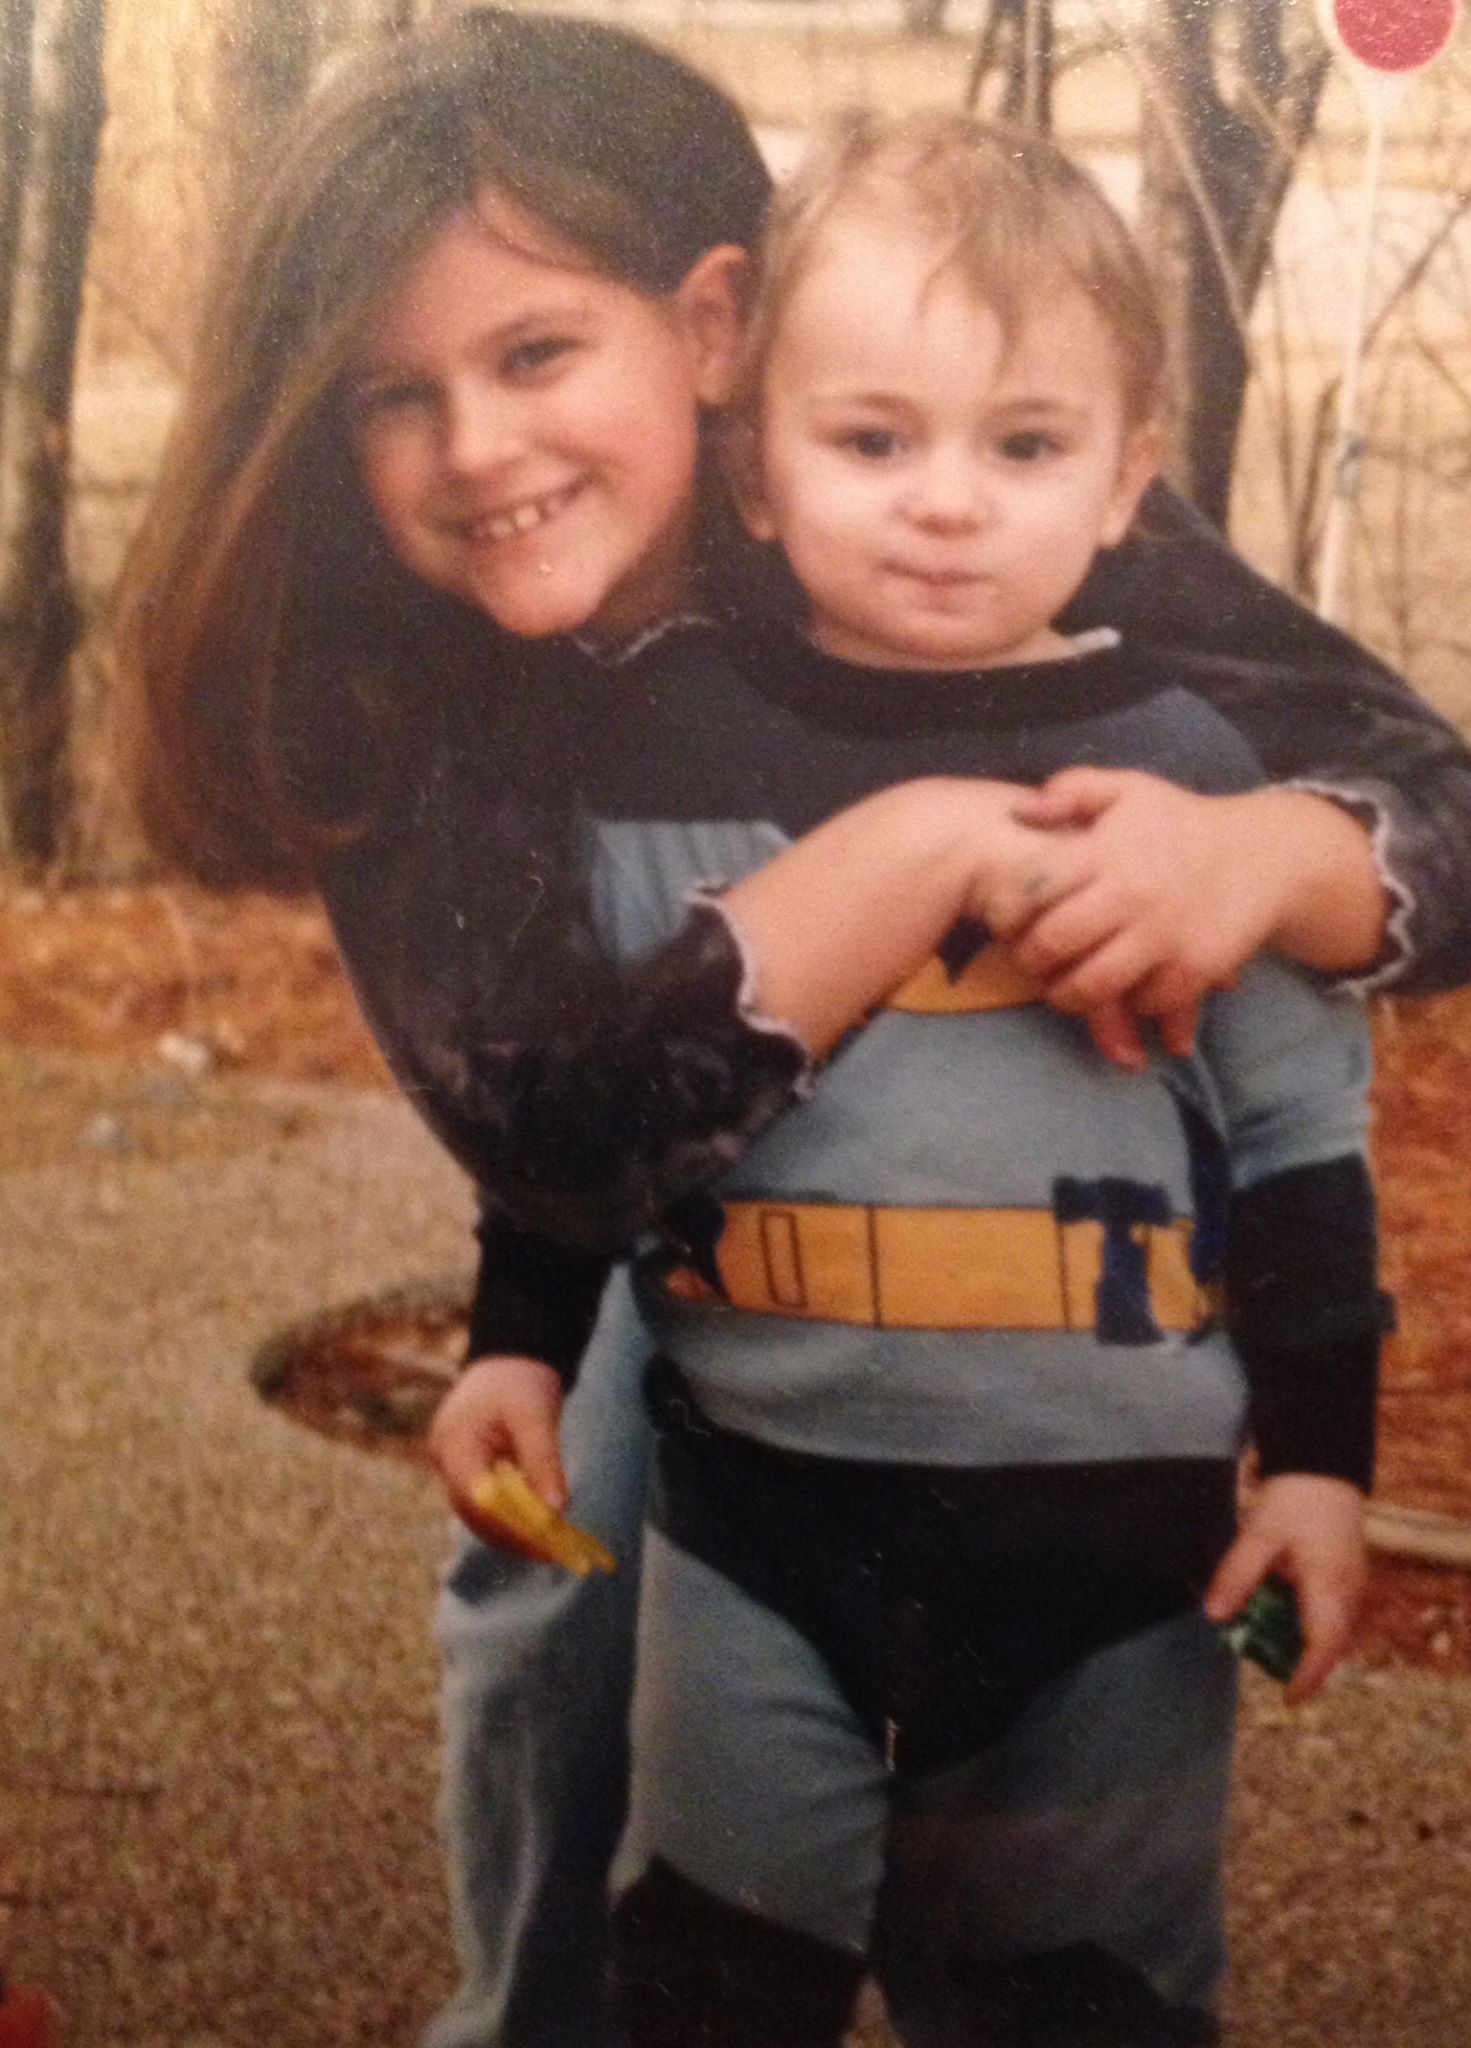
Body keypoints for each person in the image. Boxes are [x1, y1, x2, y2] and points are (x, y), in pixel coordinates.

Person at [110, 12, 1471, 2047]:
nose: (481, 448)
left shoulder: (931, 453)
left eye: (541, 354)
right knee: (571, 1546)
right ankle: (542, 2003)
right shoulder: (397, 662)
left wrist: (1269, 851)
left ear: (717, 328)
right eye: (397, 396)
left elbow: (1422, 804)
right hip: (645, 1162)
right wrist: (917, 845)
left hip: (993, 1235)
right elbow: (555, 1133)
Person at [508, 110, 1381, 2044]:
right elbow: (585, 1110)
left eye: (1027, 444)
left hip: (1116, 1555)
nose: (948, 503)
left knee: (1082, 2003)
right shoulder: (662, 752)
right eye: (874, 437)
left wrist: (1323, 1464)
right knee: (710, 1984)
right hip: (754, 1527)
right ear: (756, 469)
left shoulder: (1197, 770)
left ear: (1130, 474)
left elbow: (1311, 1147)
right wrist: (516, 1339)